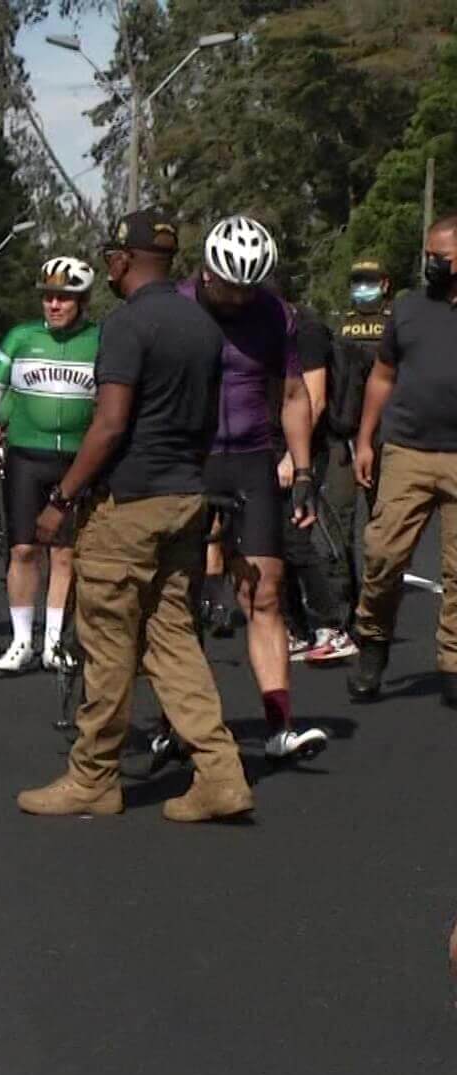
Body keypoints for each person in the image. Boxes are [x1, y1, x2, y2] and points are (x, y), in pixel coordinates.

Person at [16, 209, 252, 823]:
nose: (107, 268)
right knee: (173, 642)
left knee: (108, 645)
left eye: (109, 259)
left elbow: (111, 423)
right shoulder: (203, 327)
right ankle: (221, 773)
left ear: (123, 260)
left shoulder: (126, 326)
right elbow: (205, 423)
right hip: (184, 500)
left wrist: (62, 499)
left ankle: (93, 777)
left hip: (129, 508)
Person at [186, 215, 325, 763]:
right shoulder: (177, 304)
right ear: (206, 271)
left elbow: (294, 396)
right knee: (182, 595)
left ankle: (279, 723)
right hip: (189, 460)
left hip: (249, 457)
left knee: (264, 591)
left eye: (249, 287)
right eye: (229, 286)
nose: (239, 297)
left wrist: (306, 472)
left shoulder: (273, 314)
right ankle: (185, 722)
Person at [0, 257, 99, 672]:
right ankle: (22, 639)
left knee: (64, 552)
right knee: (23, 549)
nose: (54, 305)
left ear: (82, 300)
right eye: (47, 298)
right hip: (27, 456)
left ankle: (55, 641)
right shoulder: (21, 337)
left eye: (63, 298)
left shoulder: (100, 339)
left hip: (76, 460)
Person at [349, 214, 457, 704]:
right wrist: (366, 440)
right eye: (428, 256)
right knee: (383, 555)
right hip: (407, 450)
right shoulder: (409, 311)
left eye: (441, 258)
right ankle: (372, 641)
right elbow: (382, 377)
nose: (431, 265)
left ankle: (452, 662)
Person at [301, 257, 394, 664]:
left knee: (384, 535)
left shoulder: (397, 323)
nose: (363, 288)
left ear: (385, 284)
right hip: (342, 437)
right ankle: (343, 617)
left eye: (370, 282)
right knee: (337, 529)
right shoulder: (337, 324)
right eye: (357, 281)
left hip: (388, 437)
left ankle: (376, 616)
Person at [280, 305, 355, 662]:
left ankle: (333, 628)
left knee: (298, 538)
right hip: (272, 446)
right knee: (274, 543)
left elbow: (316, 399)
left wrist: (294, 459)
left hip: (308, 449)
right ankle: (295, 628)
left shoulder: (306, 331)